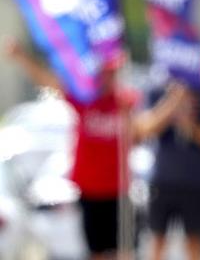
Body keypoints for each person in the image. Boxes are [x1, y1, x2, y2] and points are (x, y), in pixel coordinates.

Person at [5, 38, 136, 260]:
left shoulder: (124, 101)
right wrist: (23, 57)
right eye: (106, 72)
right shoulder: (84, 100)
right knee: (97, 251)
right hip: (91, 188)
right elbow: (50, 83)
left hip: (118, 187)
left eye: (113, 72)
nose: (110, 77)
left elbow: (141, 129)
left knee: (121, 250)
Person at [133, 81, 200, 260]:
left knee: (195, 243)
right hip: (162, 180)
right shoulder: (157, 90)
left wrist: (189, 125)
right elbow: (145, 129)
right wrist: (174, 102)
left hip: (194, 182)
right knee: (157, 241)